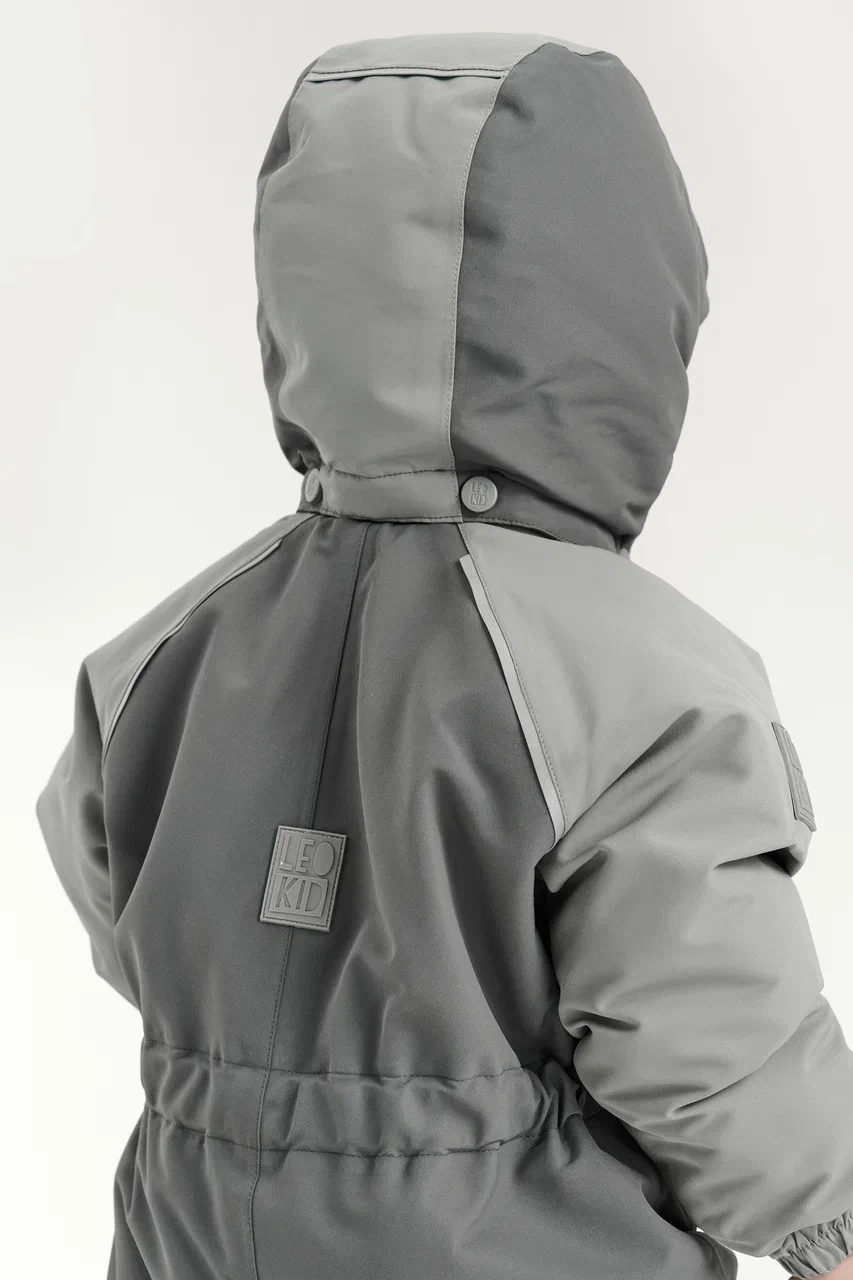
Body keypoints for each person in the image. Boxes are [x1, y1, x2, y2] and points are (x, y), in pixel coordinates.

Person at [36, 31, 853, 1280]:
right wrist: (824, 1217)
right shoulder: (639, 687)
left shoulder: (165, 648)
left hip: (190, 1233)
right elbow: (709, 1032)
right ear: (623, 322)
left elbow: (120, 908)